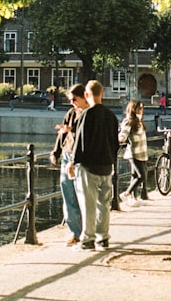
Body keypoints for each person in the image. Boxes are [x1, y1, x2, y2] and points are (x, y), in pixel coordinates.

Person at [68, 80, 119, 251]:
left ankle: (87, 239)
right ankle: (102, 237)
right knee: (104, 204)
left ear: (87, 95)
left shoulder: (86, 115)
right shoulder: (111, 116)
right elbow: (115, 142)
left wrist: (73, 162)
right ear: (102, 94)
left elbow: (80, 141)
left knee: (88, 204)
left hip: (89, 166)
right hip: (106, 165)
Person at [49, 84, 87, 246]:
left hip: (82, 158)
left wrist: (71, 129)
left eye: (74, 99)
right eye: (70, 100)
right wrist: (55, 152)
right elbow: (62, 134)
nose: (72, 103)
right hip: (67, 154)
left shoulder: (89, 113)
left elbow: (86, 132)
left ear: (84, 97)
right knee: (68, 194)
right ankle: (74, 232)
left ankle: (86, 231)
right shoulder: (71, 113)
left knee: (83, 196)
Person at [118, 99, 148, 206]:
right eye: (139, 108)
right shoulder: (129, 121)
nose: (141, 110)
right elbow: (124, 132)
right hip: (134, 153)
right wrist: (121, 138)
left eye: (142, 108)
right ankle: (126, 194)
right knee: (141, 176)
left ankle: (134, 198)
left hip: (142, 152)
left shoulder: (139, 121)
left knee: (135, 176)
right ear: (133, 109)